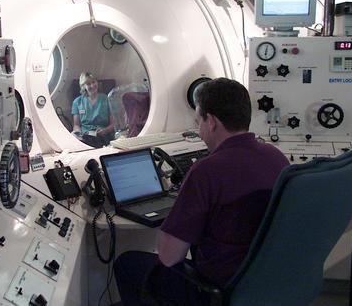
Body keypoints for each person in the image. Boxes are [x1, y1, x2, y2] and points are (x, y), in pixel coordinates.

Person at [114, 78, 290, 305]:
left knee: (127, 263)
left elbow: (169, 257)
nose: (199, 130)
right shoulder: (275, 156)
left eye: (198, 121)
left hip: (217, 287)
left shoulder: (206, 171)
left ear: (212, 122)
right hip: (265, 277)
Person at [72, 72, 115, 146]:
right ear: (83, 86)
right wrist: (78, 134)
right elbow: (76, 125)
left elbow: (113, 124)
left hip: (103, 135)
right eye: (88, 84)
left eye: (93, 82)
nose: (92, 85)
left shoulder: (106, 99)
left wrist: (105, 130)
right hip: (85, 135)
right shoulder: (77, 102)